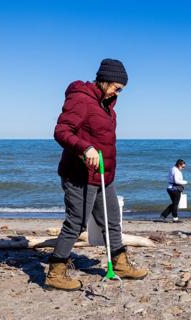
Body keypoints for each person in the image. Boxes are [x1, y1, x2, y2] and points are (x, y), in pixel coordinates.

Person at [45, 59, 148, 291]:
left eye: (121, 88)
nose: (118, 91)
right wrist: (85, 148)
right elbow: (61, 131)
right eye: (117, 86)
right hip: (79, 175)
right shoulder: (81, 98)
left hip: (104, 175)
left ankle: (120, 264)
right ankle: (56, 271)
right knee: (76, 223)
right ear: (104, 79)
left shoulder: (108, 106)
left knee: (112, 221)